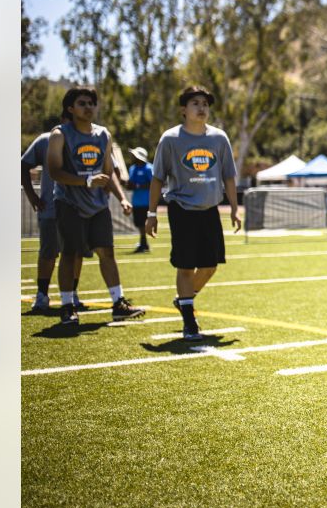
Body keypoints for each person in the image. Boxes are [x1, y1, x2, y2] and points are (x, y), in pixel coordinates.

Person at [145, 85, 241, 340]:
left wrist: (233, 208)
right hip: (182, 209)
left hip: (210, 210)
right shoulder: (170, 139)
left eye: (205, 104)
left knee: (210, 266)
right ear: (183, 110)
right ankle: (189, 320)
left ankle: (184, 300)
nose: (201, 108)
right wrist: (151, 213)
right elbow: (157, 178)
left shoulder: (219, 138)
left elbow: (229, 176)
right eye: (195, 103)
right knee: (186, 266)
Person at [47, 86, 143, 325]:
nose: (88, 107)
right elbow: (54, 171)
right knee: (70, 253)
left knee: (107, 252)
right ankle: (68, 305)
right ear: (70, 108)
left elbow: (108, 173)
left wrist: (121, 198)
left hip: (98, 204)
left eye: (91, 103)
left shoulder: (103, 135)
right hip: (69, 202)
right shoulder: (60, 134)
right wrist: (86, 180)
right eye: (82, 103)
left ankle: (118, 303)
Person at [21, 115, 86, 311]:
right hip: (51, 207)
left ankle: (72, 294)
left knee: (75, 253)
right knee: (48, 252)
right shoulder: (45, 140)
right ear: (67, 115)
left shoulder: (89, 139)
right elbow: (23, 165)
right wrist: (31, 195)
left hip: (79, 209)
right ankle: (42, 295)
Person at [127, 146, 153, 252]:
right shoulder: (133, 168)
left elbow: (153, 184)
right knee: (139, 224)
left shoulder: (149, 168)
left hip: (146, 200)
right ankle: (144, 243)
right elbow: (130, 185)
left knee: (143, 224)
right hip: (136, 201)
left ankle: (143, 243)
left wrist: (137, 186)